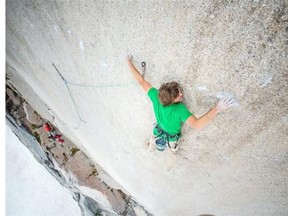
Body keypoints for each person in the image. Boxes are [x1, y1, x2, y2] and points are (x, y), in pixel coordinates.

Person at [126, 55, 234, 169]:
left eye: (179, 91)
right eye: (178, 96)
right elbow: (197, 125)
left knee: (152, 141)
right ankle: (168, 161)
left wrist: (128, 62)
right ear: (171, 101)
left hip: (157, 130)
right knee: (173, 150)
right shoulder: (180, 109)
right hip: (172, 137)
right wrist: (217, 108)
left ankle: (151, 149)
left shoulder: (156, 96)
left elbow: (140, 80)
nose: (182, 94)